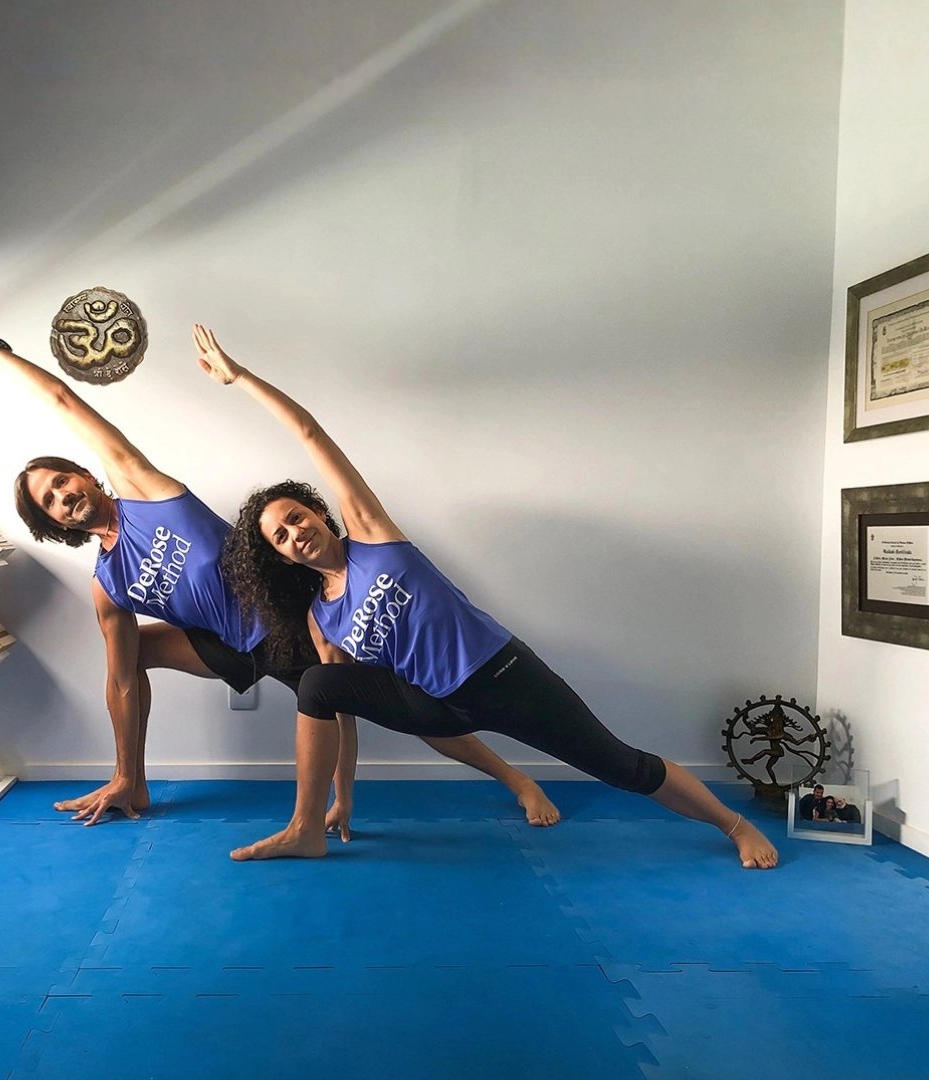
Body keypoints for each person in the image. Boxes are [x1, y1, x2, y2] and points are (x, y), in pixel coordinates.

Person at [194, 324, 779, 869]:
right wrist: (342, 797)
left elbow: (309, 433)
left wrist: (239, 378)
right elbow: (340, 714)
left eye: (297, 517)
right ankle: (305, 828)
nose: (296, 533)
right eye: (281, 536)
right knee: (319, 683)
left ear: (319, 513)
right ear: (282, 556)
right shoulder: (322, 614)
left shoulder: (373, 536)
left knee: (620, 766)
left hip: (502, 676)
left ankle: (732, 826)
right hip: (435, 705)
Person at [0, 318, 562, 833]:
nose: (63, 496)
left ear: (87, 477)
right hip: (229, 644)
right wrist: (121, 770)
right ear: (52, 523)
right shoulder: (107, 581)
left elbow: (66, 401)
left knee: (408, 708)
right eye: (50, 501)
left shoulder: (146, 490)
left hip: (284, 617)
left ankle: (516, 781)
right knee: (129, 652)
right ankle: (131, 785)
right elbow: (118, 682)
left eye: (63, 482)